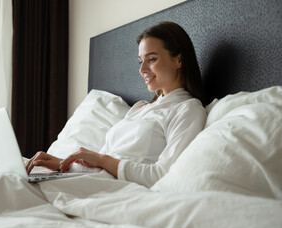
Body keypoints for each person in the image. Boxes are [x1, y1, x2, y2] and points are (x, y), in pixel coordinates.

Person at [25, 22, 207, 187]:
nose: (142, 69)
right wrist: (62, 164)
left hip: (117, 190)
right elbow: (100, 165)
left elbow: (163, 175)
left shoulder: (188, 109)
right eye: (140, 61)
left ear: (179, 60)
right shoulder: (140, 108)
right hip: (91, 181)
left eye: (151, 59)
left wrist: (102, 159)